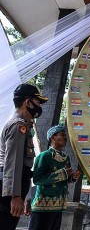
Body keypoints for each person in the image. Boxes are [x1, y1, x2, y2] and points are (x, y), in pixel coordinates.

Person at [0, 83, 48, 230]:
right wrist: (14, 197)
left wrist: (25, 198)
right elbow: (13, 164)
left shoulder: (23, 126)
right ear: (27, 102)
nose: (39, 107)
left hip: (14, 187)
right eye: (38, 102)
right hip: (8, 190)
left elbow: (23, 167)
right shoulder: (18, 126)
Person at [28, 124, 80, 230]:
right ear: (52, 137)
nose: (65, 137)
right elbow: (38, 179)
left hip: (59, 206)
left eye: (65, 135)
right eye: (62, 135)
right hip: (42, 207)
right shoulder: (44, 156)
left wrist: (72, 178)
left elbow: (64, 181)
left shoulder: (65, 158)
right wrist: (63, 173)